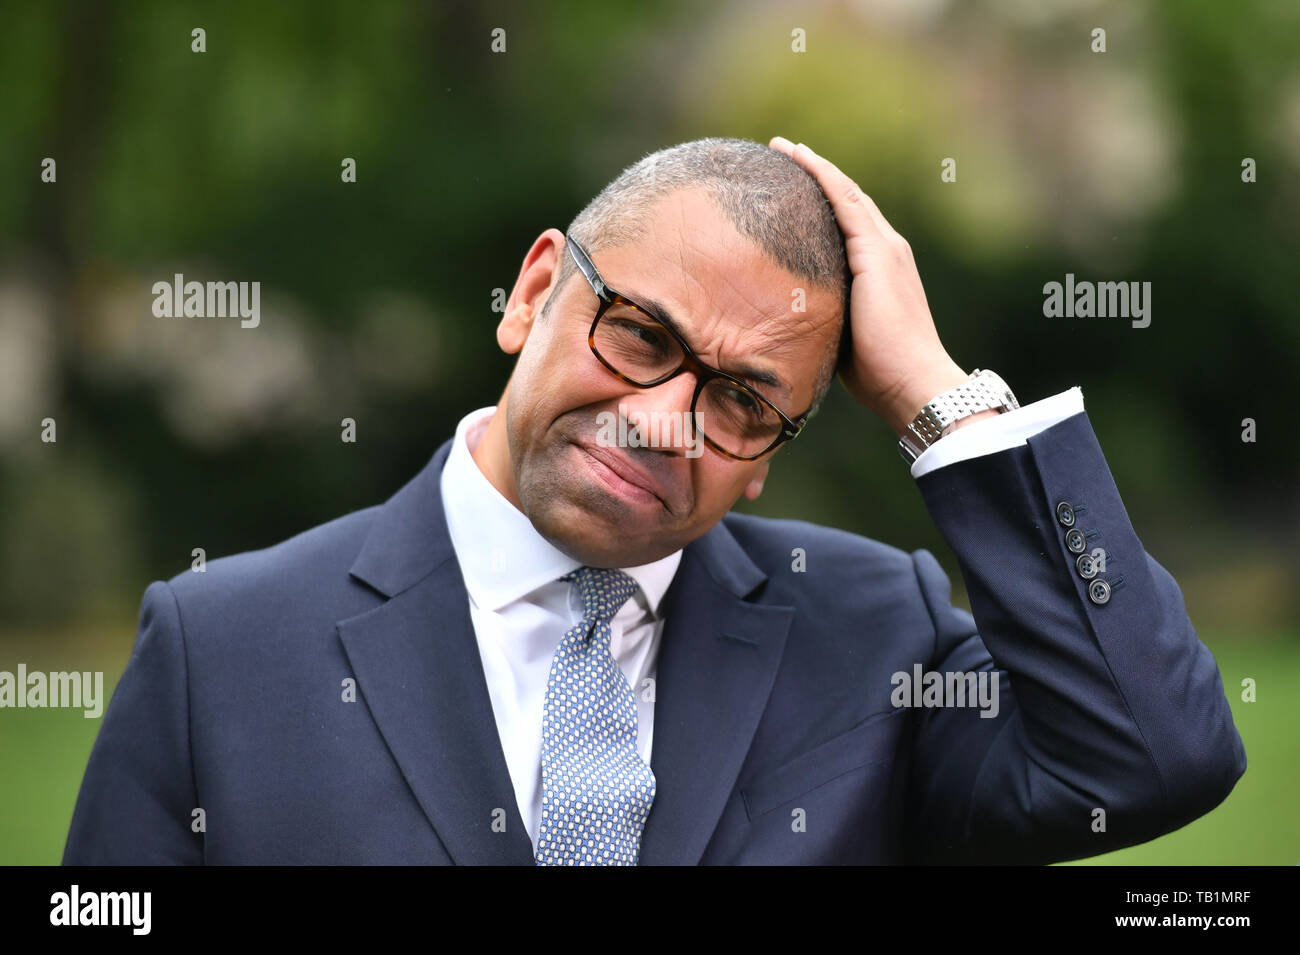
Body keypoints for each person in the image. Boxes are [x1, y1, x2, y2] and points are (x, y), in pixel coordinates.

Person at [63, 136, 1245, 865]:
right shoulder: (219, 645)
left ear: (772, 452)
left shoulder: (873, 629)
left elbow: (1149, 757)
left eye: (740, 401)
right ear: (534, 292)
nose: (666, 419)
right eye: (639, 333)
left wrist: (936, 398)